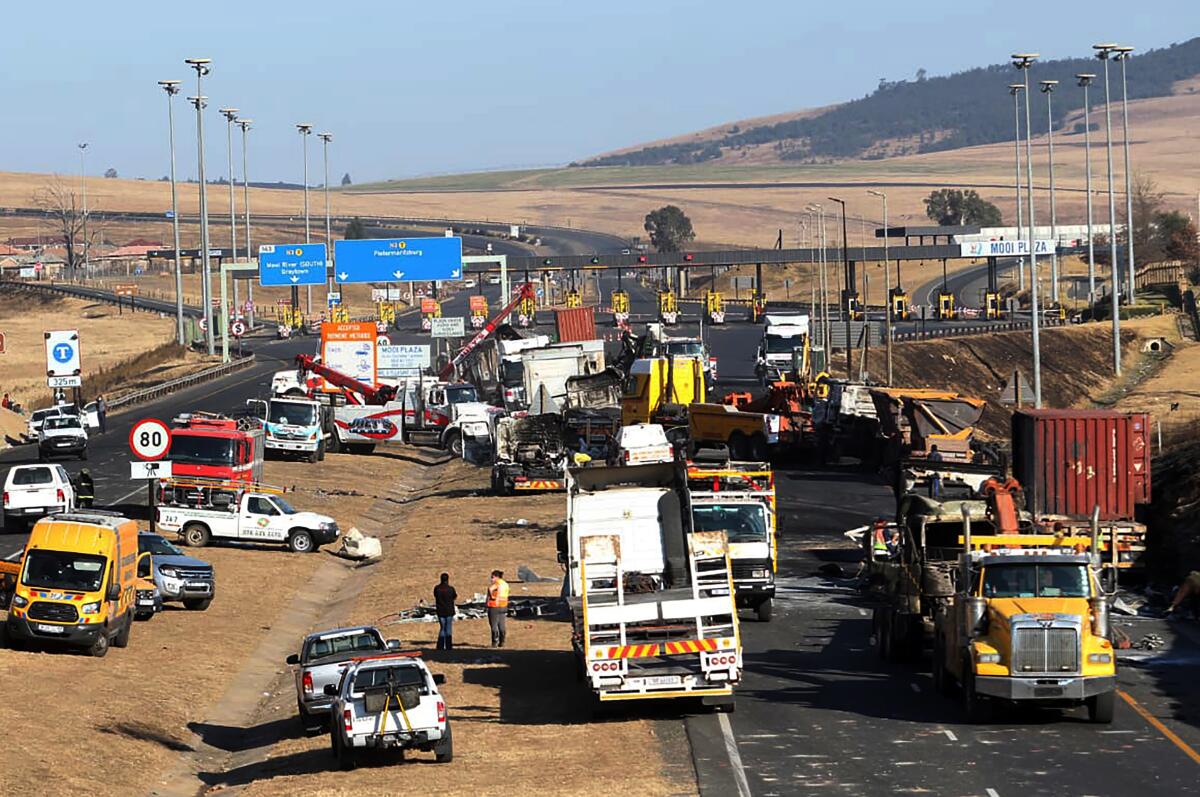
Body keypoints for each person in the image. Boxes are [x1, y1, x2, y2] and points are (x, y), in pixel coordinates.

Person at [433, 572, 458, 650]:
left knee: (442, 628)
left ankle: (440, 645)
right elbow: (455, 596)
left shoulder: (437, 588)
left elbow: (435, 595)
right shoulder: (450, 589)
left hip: (440, 611)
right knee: (448, 628)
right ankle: (448, 646)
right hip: (449, 610)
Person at [486, 569, 510, 648]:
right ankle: (502, 641)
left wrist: (492, 597)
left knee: (494, 625)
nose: (491, 579)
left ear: (496, 577)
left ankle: (494, 642)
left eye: (492, 577)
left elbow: (490, 589)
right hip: (503, 606)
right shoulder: (505, 584)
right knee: (502, 625)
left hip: (494, 606)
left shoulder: (497, 583)